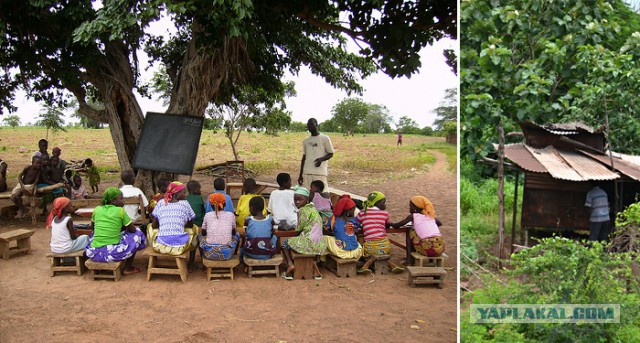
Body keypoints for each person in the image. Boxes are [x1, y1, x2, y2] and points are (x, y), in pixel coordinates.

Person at [85, 187, 146, 275]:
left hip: (94, 253)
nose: (123, 201)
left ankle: (100, 267)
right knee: (138, 233)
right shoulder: (120, 211)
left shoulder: (97, 209)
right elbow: (132, 230)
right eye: (121, 199)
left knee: (94, 234)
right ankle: (128, 268)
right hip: (113, 254)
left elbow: (93, 228)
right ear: (113, 201)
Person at [281, 186, 326, 280]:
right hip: (319, 243)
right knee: (296, 242)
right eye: (295, 199)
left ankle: (290, 264)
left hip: (308, 242)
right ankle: (314, 266)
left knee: (284, 244)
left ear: (307, 199)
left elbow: (299, 228)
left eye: (300, 199)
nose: (297, 202)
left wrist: (293, 228)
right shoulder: (312, 208)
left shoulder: (302, 210)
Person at [149, 182, 199, 267]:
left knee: (149, 227)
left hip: (160, 246)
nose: (185, 194)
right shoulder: (185, 204)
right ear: (176, 194)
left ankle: (153, 261)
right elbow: (190, 225)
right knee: (195, 229)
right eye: (183, 192)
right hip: (180, 246)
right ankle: (191, 264)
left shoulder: (161, 203)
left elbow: (154, 226)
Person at [355, 191, 403, 273]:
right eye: (383, 202)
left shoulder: (363, 212)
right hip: (385, 246)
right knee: (380, 253)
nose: (385, 205)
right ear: (376, 203)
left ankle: (365, 265)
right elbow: (387, 225)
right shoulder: (384, 214)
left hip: (370, 246)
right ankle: (392, 266)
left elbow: (356, 223)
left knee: (363, 242)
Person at [199, 193, 239, 260]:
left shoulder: (207, 215)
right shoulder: (231, 215)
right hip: (227, 254)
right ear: (225, 204)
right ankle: (234, 254)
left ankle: (202, 260)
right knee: (237, 235)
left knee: (200, 236)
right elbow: (234, 232)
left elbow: (203, 233)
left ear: (211, 205)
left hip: (210, 254)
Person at [298, 118, 334, 189]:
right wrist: (300, 174)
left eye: (312, 124)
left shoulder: (324, 138)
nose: (310, 126)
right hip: (307, 172)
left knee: (322, 194)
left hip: (320, 173)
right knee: (307, 194)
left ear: (317, 125)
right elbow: (304, 158)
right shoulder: (306, 141)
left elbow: (331, 153)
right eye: (308, 125)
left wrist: (321, 159)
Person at [324, 194, 363, 260]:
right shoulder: (354, 220)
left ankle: (323, 259)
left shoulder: (333, 219)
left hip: (341, 252)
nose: (354, 211)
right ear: (347, 212)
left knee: (325, 238)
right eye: (353, 209)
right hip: (356, 251)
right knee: (354, 237)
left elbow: (326, 230)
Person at [241, 197, 277, 261]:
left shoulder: (248, 220)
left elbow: (246, 234)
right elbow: (272, 234)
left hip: (250, 252)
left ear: (251, 209)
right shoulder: (270, 219)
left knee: (247, 237)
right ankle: (274, 251)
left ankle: (241, 259)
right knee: (274, 237)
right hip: (267, 254)